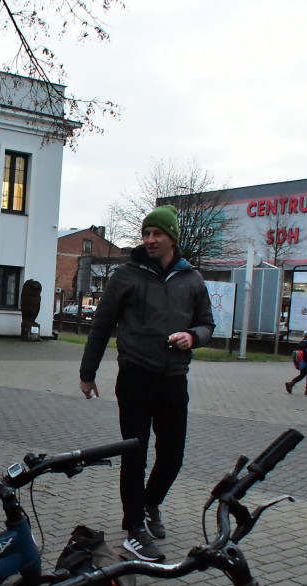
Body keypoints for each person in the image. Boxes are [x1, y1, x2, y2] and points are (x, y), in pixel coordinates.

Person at [78, 205, 214, 563]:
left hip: (173, 379)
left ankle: (150, 502)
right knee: (134, 455)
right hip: (136, 376)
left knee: (172, 455)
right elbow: (102, 324)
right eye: (146, 234)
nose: (150, 240)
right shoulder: (127, 275)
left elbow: (207, 324)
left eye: (157, 234)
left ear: (172, 238)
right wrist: (87, 373)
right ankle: (134, 528)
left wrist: (192, 336)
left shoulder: (192, 279)